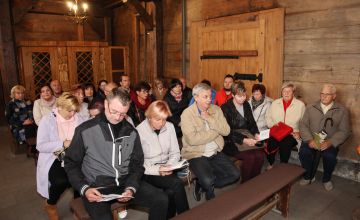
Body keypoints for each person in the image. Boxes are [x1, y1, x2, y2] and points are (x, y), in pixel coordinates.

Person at [64, 88, 168, 220]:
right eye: (114, 111)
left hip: (125, 183)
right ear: (106, 104)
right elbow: (71, 163)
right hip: (97, 187)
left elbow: (137, 164)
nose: (117, 117)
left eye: (122, 114)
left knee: (161, 199)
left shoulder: (131, 132)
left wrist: (131, 187)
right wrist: (84, 188)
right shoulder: (85, 130)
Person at [181, 83, 240, 201]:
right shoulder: (187, 114)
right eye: (205, 97)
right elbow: (192, 140)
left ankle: (204, 185)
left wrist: (209, 118)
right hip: (196, 154)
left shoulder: (216, 110)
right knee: (208, 180)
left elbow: (226, 131)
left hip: (215, 151)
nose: (209, 99)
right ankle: (207, 187)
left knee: (235, 175)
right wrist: (215, 132)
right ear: (196, 97)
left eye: (210, 96)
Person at [136, 100, 189, 218]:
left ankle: (170, 215)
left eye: (164, 119)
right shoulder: (139, 131)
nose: (162, 123)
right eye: (158, 119)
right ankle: (187, 216)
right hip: (149, 170)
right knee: (176, 184)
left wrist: (169, 166)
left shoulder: (169, 127)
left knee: (170, 192)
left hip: (167, 166)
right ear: (149, 117)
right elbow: (139, 163)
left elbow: (175, 152)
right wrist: (158, 170)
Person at [36, 92, 85, 220]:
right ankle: (50, 204)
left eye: (74, 110)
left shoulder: (79, 118)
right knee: (60, 181)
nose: (72, 114)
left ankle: (77, 206)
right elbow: (40, 146)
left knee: (80, 179)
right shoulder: (47, 120)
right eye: (69, 111)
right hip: (55, 156)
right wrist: (62, 143)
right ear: (60, 107)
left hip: (76, 155)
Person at [299, 84, 351, 191]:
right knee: (304, 152)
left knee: (330, 157)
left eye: (327, 94)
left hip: (329, 141)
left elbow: (344, 131)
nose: (324, 96)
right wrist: (309, 140)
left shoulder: (341, 110)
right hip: (312, 139)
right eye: (322, 94)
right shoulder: (311, 107)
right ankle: (308, 176)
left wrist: (330, 142)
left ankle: (326, 179)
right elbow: (303, 125)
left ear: (334, 96)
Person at [221, 81, 264, 183]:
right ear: (233, 95)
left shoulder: (246, 105)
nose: (243, 98)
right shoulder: (225, 108)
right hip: (230, 140)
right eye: (239, 96)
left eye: (244, 95)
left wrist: (256, 133)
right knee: (250, 157)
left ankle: (254, 181)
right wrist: (243, 140)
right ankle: (245, 184)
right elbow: (226, 132)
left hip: (246, 135)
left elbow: (252, 123)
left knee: (260, 155)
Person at [265, 82, 305, 169]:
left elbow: (304, 123)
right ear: (281, 92)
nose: (286, 93)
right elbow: (268, 117)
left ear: (293, 92)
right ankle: (271, 163)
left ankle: (283, 166)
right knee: (271, 143)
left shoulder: (300, 105)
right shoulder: (275, 103)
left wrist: (299, 133)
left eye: (289, 91)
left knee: (285, 144)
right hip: (277, 131)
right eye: (284, 91)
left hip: (291, 133)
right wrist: (273, 125)